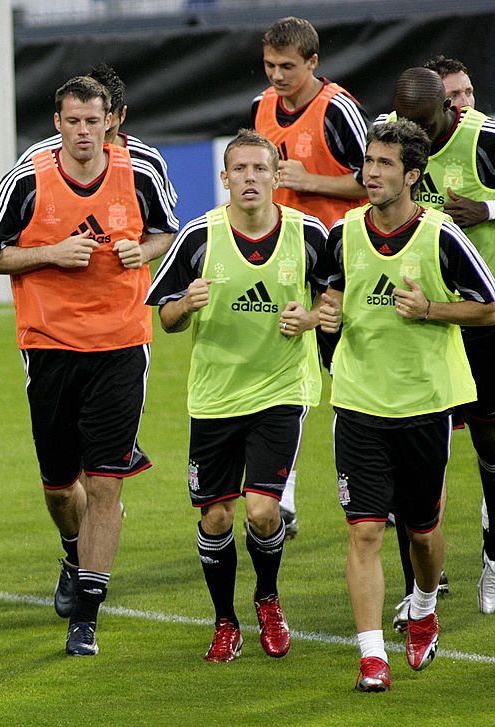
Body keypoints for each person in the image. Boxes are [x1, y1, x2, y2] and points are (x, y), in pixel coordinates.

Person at [0, 75, 178, 656]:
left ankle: (86, 616)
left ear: (110, 120)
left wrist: (144, 251)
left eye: (94, 121)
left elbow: (168, 232)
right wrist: (50, 254)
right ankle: (73, 550)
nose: (84, 132)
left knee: (106, 481)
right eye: (73, 121)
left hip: (121, 341)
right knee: (62, 488)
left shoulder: (140, 169)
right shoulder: (27, 175)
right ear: (57, 122)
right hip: (48, 344)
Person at [319, 119, 495, 691]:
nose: (370, 173)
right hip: (358, 400)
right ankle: (372, 656)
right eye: (368, 162)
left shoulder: (442, 235)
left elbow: (489, 307)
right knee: (365, 531)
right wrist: (324, 317)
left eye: (385, 164)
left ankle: (423, 604)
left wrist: (432, 312)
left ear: (412, 175)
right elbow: (332, 297)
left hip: (425, 401)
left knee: (421, 531)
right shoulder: (342, 234)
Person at [147, 129, 332, 662]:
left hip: (281, 390)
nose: (250, 179)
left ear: (276, 176)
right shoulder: (198, 239)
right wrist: (187, 304)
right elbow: (167, 317)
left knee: (261, 512)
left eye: (260, 169)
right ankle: (225, 621)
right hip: (215, 397)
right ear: (224, 178)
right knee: (216, 519)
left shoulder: (309, 234)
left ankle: (268, 599)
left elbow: (333, 303)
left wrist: (313, 317)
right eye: (240, 171)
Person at [384, 67, 495, 620]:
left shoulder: (483, 139)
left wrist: (489, 210)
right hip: (419, 321)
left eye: (421, 123)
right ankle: (419, 584)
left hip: (481, 319)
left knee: (490, 448)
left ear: (446, 111)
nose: (413, 136)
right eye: (405, 121)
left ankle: (493, 557)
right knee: (414, 455)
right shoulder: (395, 139)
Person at [253, 15, 370, 537]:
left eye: (287, 67)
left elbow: (378, 181)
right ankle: (284, 495)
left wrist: (312, 180)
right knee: (282, 378)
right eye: (270, 65)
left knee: (346, 375)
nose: (277, 76)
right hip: (285, 261)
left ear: (313, 63)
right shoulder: (260, 107)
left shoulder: (338, 109)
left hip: (340, 267)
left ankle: (375, 489)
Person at [15, 63, 179, 219]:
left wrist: (140, 249)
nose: (96, 139)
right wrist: (53, 249)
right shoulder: (35, 160)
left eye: (96, 124)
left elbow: (163, 230)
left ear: (118, 116)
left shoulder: (148, 162)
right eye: (77, 121)